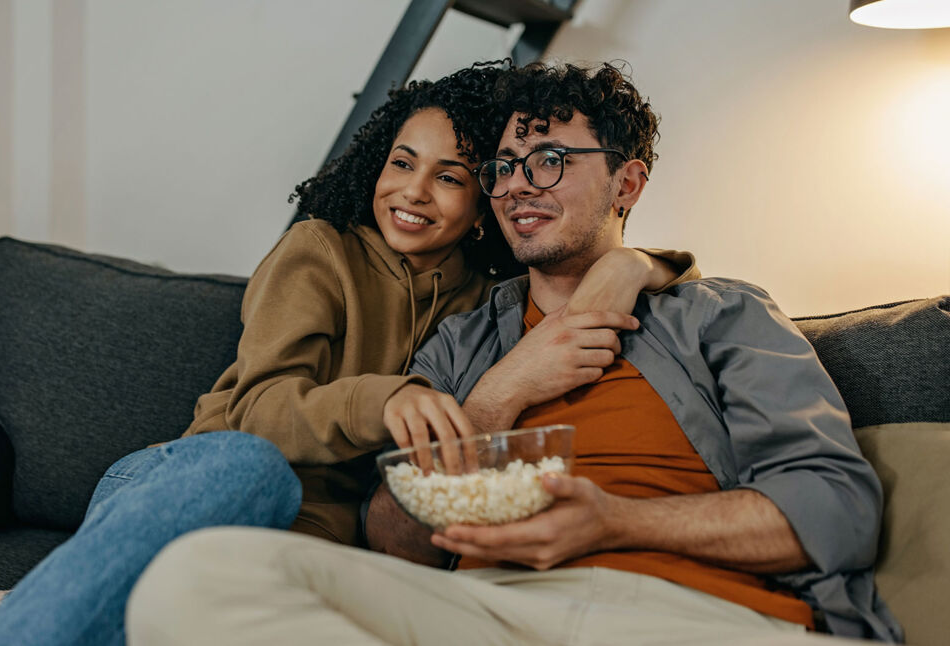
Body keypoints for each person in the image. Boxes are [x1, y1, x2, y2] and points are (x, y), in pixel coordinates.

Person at [0, 63, 696, 645]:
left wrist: (632, 264)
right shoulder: (319, 252)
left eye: (450, 177)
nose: (411, 191)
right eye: (400, 163)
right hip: (198, 482)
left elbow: (618, 260)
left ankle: (27, 604)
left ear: (487, 200)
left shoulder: (488, 301)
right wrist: (384, 399)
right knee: (254, 474)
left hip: (311, 547)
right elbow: (261, 411)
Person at [125, 62, 903, 645]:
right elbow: (394, 540)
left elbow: (838, 514)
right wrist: (494, 399)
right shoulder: (466, 337)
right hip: (487, 613)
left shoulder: (720, 314)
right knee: (197, 577)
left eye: (551, 160)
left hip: (694, 614)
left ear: (626, 183)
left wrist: (613, 522)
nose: (517, 186)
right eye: (502, 167)